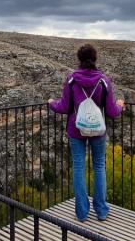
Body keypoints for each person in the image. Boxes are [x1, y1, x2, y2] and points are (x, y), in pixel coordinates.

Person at [48, 44, 124, 221]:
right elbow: (112, 111)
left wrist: (51, 102)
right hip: (97, 130)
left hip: (76, 129)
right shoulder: (104, 80)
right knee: (99, 167)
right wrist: (120, 105)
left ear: (79, 59)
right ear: (95, 58)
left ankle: (81, 213)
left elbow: (64, 107)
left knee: (79, 168)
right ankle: (101, 211)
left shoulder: (71, 79)